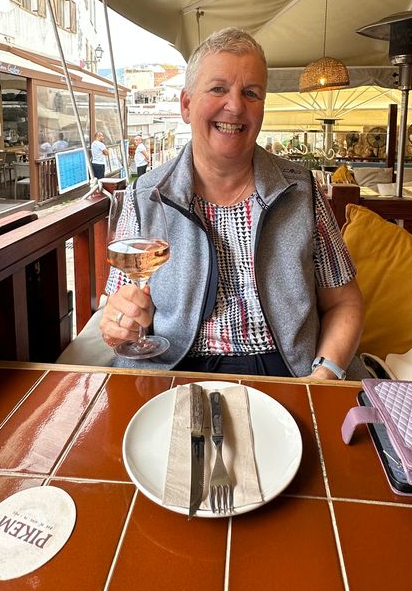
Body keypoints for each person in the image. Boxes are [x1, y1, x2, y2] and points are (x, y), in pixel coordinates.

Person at [98, 28, 364, 380]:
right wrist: (120, 323)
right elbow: (119, 310)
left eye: (251, 93)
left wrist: (324, 375)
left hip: (285, 371)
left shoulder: (302, 191)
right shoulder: (145, 195)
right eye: (218, 88)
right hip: (174, 368)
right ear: (186, 105)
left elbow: (345, 302)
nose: (236, 106)